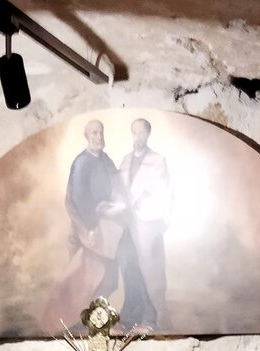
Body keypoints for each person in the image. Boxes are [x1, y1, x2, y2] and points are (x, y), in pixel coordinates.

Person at [43, 120, 155, 332]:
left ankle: (139, 317)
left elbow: (118, 187)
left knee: (125, 268)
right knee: (97, 277)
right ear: (87, 136)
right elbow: (78, 198)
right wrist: (91, 226)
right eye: (94, 133)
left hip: (113, 226)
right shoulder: (81, 162)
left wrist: (120, 204)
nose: (99, 136)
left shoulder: (106, 160)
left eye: (101, 132)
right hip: (93, 229)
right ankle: (95, 321)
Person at [119, 117, 170, 331]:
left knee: (149, 271)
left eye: (141, 133)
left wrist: (152, 215)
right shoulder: (125, 161)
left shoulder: (157, 161)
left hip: (148, 224)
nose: (137, 137)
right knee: (129, 268)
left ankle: (150, 319)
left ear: (148, 135)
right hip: (127, 225)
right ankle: (130, 317)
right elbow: (119, 190)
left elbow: (164, 194)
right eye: (135, 132)